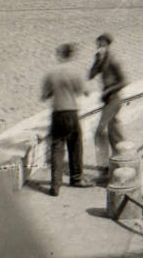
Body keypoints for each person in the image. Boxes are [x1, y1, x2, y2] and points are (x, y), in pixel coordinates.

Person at [41, 42, 89, 195]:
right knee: (75, 144)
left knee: (56, 147)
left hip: (57, 113)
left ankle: (55, 185)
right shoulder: (76, 71)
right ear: (72, 54)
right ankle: (76, 178)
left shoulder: (51, 73)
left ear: (60, 55)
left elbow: (45, 95)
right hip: (71, 112)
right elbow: (84, 91)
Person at [89, 32, 127, 179]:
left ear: (107, 44)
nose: (99, 47)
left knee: (100, 131)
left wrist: (108, 90)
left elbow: (124, 81)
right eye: (98, 44)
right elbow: (90, 75)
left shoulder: (113, 60)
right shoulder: (102, 59)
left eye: (101, 44)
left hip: (114, 99)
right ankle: (123, 161)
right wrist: (96, 61)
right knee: (114, 132)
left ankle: (104, 168)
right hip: (108, 99)